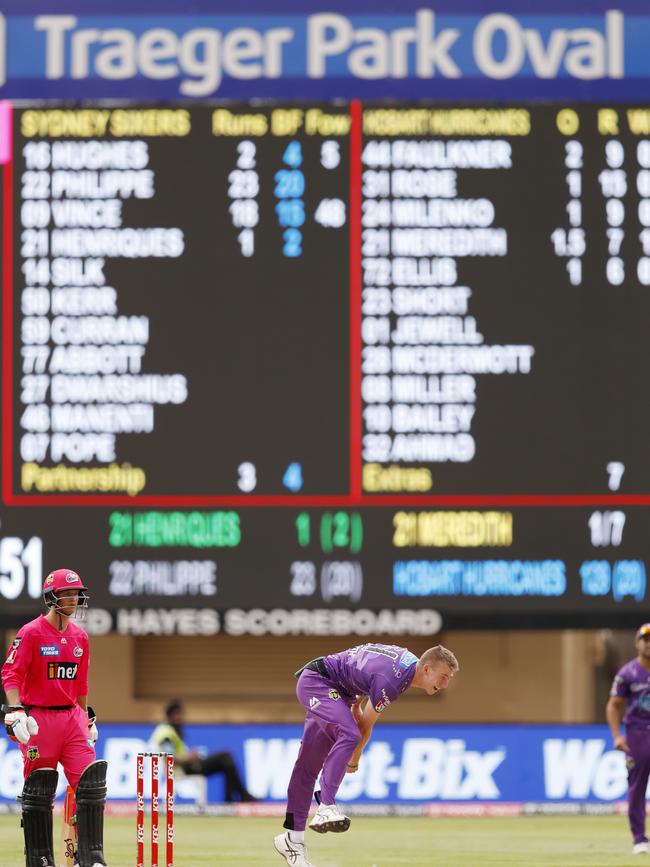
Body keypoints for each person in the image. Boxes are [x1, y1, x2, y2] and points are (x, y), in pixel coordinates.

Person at [274, 642, 459, 867]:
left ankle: (292, 841)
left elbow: (364, 711)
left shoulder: (407, 666)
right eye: (444, 676)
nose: (446, 684)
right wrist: (355, 759)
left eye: (449, 678)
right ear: (427, 669)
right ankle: (326, 806)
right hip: (318, 682)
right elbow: (364, 727)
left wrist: (356, 708)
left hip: (340, 693)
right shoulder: (394, 681)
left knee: (307, 765)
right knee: (348, 735)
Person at [1, 567, 107, 867]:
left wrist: (87, 718)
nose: (74, 599)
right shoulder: (31, 632)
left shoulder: (80, 637)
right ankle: (40, 859)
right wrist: (16, 711)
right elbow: (11, 674)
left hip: (72, 718)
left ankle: (91, 858)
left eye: (77, 594)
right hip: (39, 720)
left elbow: (81, 684)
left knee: (90, 782)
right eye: (68, 594)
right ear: (52, 597)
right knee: (39, 789)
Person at [151, 698, 256, 802]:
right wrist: (189, 758)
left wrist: (189, 755)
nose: (180, 718)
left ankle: (231, 799)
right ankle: (237, 797)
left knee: (226, 761)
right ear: (170, 716)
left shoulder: (171, 730)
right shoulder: (166, 733)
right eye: (177, 714)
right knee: (225, 756)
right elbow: (169, 760)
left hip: (187, 766)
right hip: (183, 770)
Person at [607, 622, 650, 856]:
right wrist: (616, 736)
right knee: (637, 787)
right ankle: (639, 838)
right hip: (638, 734)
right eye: (646, 639)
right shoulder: (627, 674)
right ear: (637, 643)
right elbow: (613, 706)